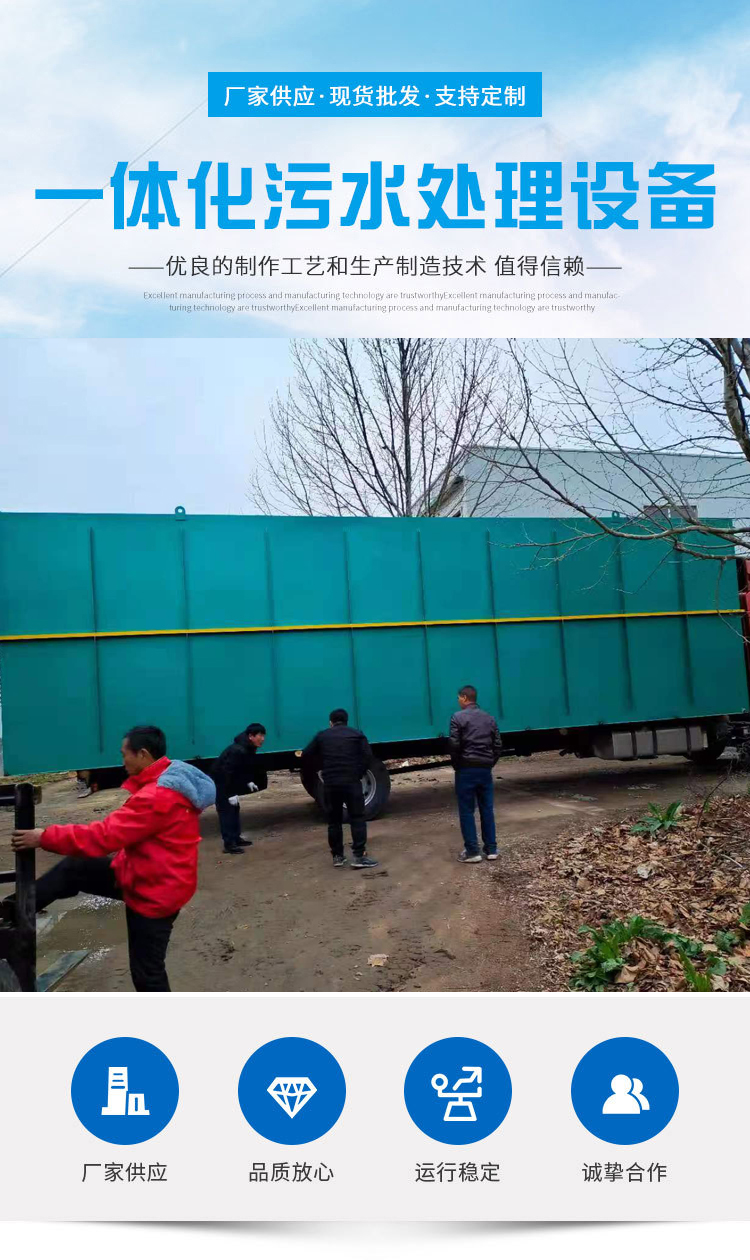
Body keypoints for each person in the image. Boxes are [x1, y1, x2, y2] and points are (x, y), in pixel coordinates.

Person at [2, 725, 215, 992]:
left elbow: (102, 837)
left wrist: (44, 836)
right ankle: (13, 911)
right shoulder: (170, 778)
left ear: (143, 754)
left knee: (148, 974)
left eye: (124, 754)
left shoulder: (156, 797)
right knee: (76, 868)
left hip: (153, 893)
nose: (122, 760)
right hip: (150, 874)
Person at [301, 708, 378, 869]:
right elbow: (368, 756)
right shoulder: (357, 734)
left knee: (334, 821)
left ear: (331, 722)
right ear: (346, 721)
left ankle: (337, 856)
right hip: (352, 782)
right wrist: (358, 773)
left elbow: (306, 754)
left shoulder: (322, 736)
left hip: (331, 784)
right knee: (357, 818)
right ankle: (359, 856)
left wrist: (322, 769)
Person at [449, 684, 503, 864]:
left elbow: (454, 745)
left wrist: (458, 765)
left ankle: (472, 852)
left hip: (466, 770)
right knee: (487, 808)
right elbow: (497, 745)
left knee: (467, 811)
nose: (458, 701)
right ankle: (491, 849)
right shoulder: (489, 718)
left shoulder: (457, 717)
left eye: (459, 697)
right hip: (485, 770)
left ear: (464, 698)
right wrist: (489, 763)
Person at [211, 723, 267, 855]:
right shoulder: (238, 750)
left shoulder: (248, 747)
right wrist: (230, 793)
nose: (263, 739)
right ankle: (229, 844)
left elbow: (242, 768)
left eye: (264, 736)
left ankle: (236, 838)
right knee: (227, 812)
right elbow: (227, 772)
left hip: (229, 782)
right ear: (251, 736)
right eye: (260, 736)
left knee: (235, 809)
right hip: (221, 783)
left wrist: (248, 781)